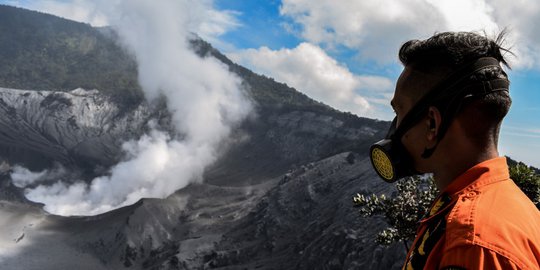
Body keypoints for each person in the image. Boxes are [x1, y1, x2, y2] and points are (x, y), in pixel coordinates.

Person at [370, 31, 540, 269]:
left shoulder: (472, 245)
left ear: (432, 123)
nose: (396, 127)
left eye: (399, 112)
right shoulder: (505, 204)